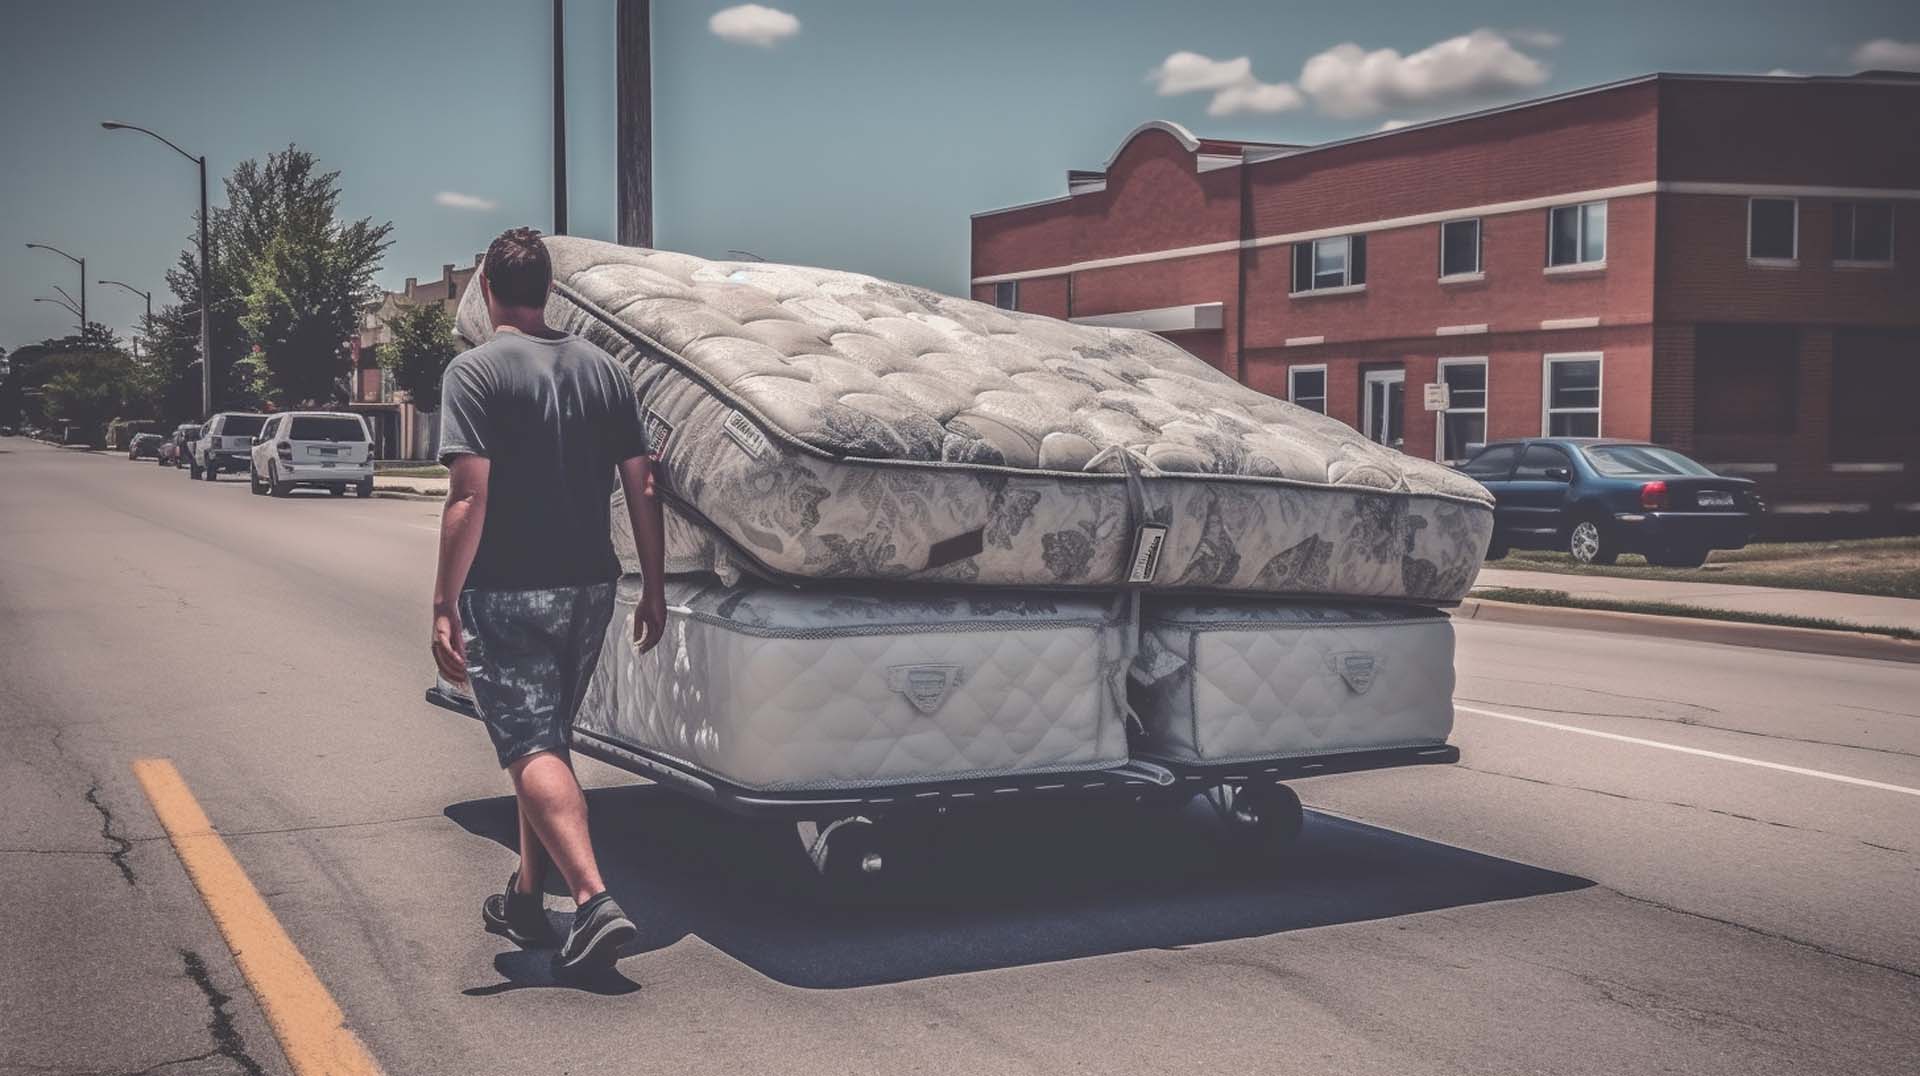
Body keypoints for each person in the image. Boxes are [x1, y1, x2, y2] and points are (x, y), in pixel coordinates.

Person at [430, 227, 669, 974]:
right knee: (548, 739)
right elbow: (644, 484)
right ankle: (529, 899)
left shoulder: (474, 372)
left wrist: (443, 600)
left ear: (487, 291)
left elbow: (469, 495)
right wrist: (653, 586)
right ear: (549, 291)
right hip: (591, 586)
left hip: (506, 587)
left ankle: (594, 900)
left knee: (530, 745)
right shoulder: (606, 370)